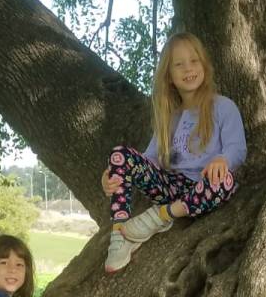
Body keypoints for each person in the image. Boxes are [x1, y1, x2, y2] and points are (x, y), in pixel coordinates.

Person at [102, 32, 248, 273]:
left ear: (204, 65)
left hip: (205, 187)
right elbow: (149, 160)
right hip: (170, 187)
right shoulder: (170, 118)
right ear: (169, 76)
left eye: (194, 61)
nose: (187, 69)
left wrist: (223, 158)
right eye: (178, 64)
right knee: (120, 155)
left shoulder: (222, 106)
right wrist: (113, 174)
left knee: (225, 181)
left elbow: (237, 148)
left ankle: (160, 217)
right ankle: (119, 234)